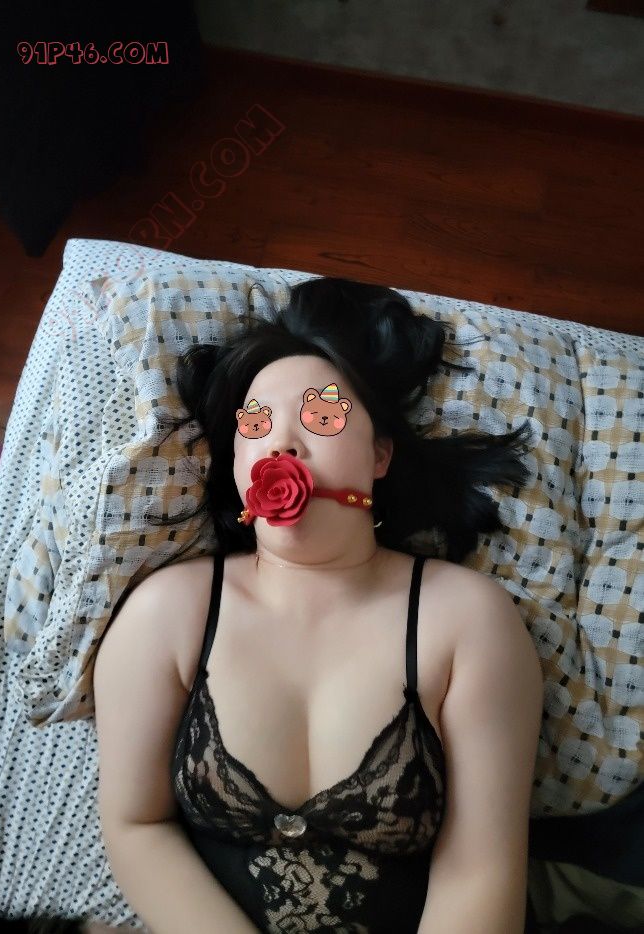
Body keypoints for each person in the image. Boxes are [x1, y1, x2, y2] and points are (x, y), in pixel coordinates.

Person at [105, 274, 537, 933]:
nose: (282, 444)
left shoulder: (469, 620)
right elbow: (136, 825)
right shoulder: (166, 614)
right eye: (256, 424)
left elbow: (482, 869)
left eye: (322, 417)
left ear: (380, 455)